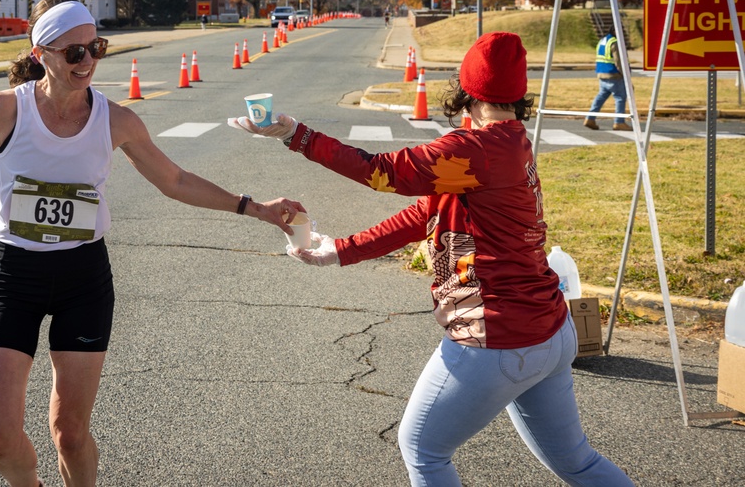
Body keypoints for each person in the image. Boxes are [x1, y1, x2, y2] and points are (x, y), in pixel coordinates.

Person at [0, 0, 304, 487]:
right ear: (41, 54)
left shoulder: (116, 120)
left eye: (95, 47)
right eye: (74, 52)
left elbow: (174, 181)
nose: (88, 61)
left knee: (69, 433)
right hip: (15, 274)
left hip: (82, 279)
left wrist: (254, 207)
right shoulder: (6, 110)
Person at [228, 32, 634, 486]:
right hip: (551, 332)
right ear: (518, 96)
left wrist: (295, 134)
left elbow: (380, 172)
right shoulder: (510, 140)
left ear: (469, 89)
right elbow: (427, 210)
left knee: (423, 449)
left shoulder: (473, 149)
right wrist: (342, 250)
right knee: (576, 461)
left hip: (497, 335)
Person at [584, 30, 632, 131]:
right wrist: (626, 75)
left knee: (600, 97)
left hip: (602, 74)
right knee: (620, 98)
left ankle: (590, 118)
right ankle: (619, 122)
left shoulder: (603, 41)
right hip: (614, 74)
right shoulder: (614, 42)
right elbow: (619, 61)